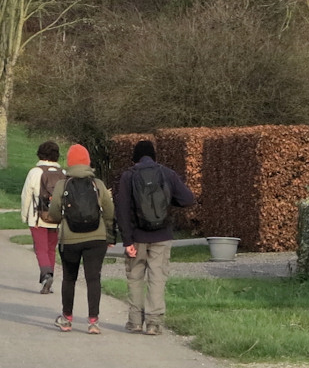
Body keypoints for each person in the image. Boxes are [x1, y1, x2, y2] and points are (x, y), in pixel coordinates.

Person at [115, 139, 196, 335]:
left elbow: (122, 210)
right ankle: (153, 323)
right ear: (154, 156)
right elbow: (188, 199)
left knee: (135, 278)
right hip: (162, 235)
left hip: (136, 237)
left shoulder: (128, 176)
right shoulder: (167, 174)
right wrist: (166, 201)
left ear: (135, 157)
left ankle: (135, 321)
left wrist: (127, 241)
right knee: (157, 278)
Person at [50, 144, 114, 335]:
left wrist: (61, 219)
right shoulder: (98, 184)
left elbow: (54, 212)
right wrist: (109, 235)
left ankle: (67, 319)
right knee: (93, 278)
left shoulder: (62, 185)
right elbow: (109, 211)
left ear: (69, 162)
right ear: (87, 162)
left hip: (70, 239)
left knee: (69, 278)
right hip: (96, 238)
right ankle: (93, 322)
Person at [20, 140, 63, 294]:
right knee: (51, 249)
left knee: (41, 249)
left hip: (38, 217)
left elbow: (26, 195)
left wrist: (25, 216)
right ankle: (49, 277)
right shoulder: (63, 173)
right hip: (56, 218)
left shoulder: (35, 172)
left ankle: (46, 276)